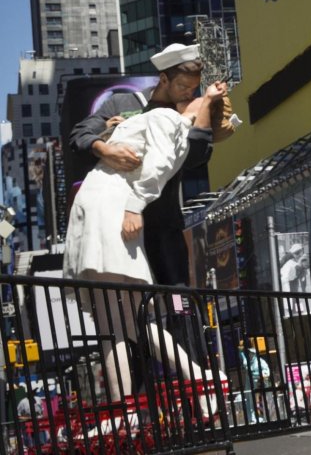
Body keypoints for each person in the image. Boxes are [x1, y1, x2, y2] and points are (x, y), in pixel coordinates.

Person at [63, 83, 229, 420]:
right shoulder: (141, 110)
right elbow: (83, 133)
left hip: (117, 218)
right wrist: (105, 139)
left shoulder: (174, 128)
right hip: (114, 217)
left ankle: (132, 411)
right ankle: (182, 388)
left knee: (118, 323)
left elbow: (155, 173)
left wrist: (131, 201)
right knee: (126, 324)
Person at [69, 43, 221, 286]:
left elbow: (197, 157)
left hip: (163, 224)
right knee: (127, 298)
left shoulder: (190, 111)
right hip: (117, 222)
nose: (188, 94)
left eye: (194, 88)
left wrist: (203, 110)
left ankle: (183, 323)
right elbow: (80, 135)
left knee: (178, 298)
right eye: (183, 86)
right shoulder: (122, 103)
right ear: (163, 79)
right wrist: (105, 149)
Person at [240, 338, 271, 423]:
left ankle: (260, 417)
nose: (250, 355)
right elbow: (244, 364)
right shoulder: (248, 363)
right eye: (249, 353)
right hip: (249, 384)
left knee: (259, 401)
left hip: (258, 384)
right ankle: (252, 418)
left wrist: (260, 375)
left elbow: (266, 371)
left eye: (251, 353)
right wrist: (241, 352)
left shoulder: (260, 362)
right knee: (250, 401)